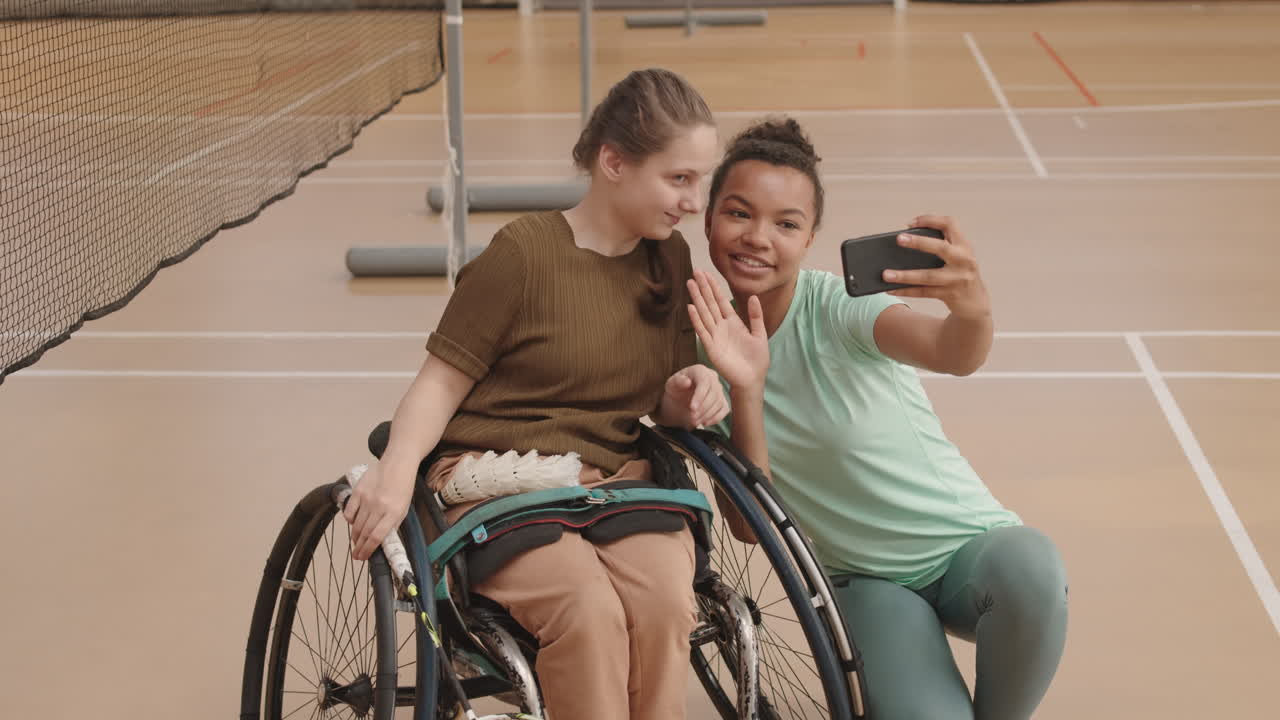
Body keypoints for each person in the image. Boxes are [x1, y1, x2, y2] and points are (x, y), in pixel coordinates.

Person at [343, 68, 726, 720]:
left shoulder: (670, 260)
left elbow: (651, 396)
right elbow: (440, 380)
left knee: (666, 606)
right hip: (499, 481)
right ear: (614, 163)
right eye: (679, 179)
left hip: (611, 480)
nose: (694, 202)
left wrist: (688, 393)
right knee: (589, 611)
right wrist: (396, 472)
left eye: (700, 181)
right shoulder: (523, 254)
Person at [688, 116, 1069, 720]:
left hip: (965, 550)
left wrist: (972, 308)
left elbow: (954, 353)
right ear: (707, 220)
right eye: (739, 213)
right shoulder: (703, 343)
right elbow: (746, 523)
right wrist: (747, 388)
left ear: (810, 237)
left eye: (786, 223)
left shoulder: (836, 306)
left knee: (1033, 565)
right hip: (868, 585)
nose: (758, 236)